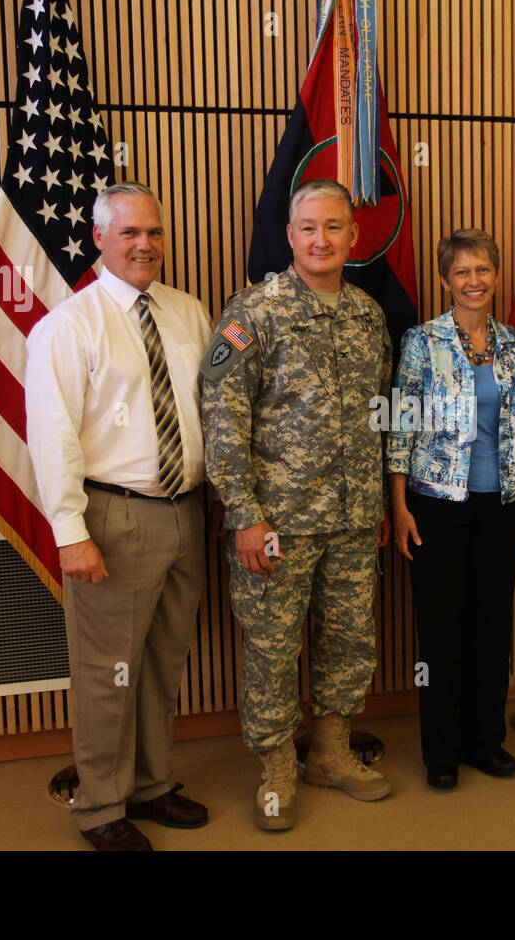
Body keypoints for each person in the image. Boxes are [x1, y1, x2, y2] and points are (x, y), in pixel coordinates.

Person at [199, 179, 393, 831]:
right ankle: (277, 764)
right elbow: (222, 416)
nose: (321, 239)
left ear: (352, 236)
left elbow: (378, 414)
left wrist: (377, 506)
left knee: (348, 639)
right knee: (274, 648)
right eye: (308, 227)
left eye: (334, 226)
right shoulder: (253, 312)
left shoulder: (368, 315)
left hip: (353, 520)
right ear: (289, 235)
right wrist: (245, 515)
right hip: (275, 523)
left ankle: (331, 752)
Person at [25, 181, 212, 851]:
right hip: (114, 517)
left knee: (163, 661)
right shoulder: (67, 327)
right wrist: (71, 534)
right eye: (129, 233)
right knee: (110, 673)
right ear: (99, 238)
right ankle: (100, 804)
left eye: (154, 232)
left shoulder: (190, 313)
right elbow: (52, 437)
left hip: (186, 513)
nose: (145, 244)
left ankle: (152, 784)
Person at [387, 229, 515, 790]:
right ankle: (442, 751)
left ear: (497, 276)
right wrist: (399, 506)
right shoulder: (422, 341)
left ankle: (484, 741)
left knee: (492, 628)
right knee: (441, 630)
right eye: (462, 272)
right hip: (435, 504)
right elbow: (401, 423)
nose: (474, 281)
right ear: (445, 281)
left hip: (502, 505)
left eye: (484, 270)